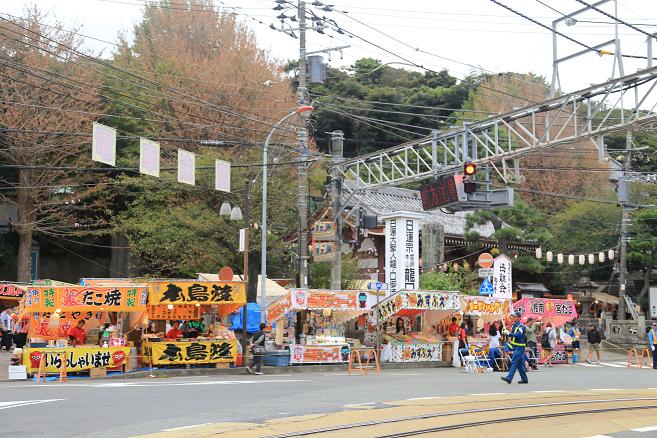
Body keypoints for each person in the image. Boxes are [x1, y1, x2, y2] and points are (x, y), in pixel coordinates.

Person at [501, 310, 528, 384]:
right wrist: (505, 331)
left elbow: (518, 334)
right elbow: (512, 336)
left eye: (515, 316)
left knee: (514, 361)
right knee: (519, 364)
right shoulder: (514, 325)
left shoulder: (521, 326)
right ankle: (524, 379)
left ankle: (509, 378)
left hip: (520, 347)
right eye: (513, 316)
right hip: (514, 346)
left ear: (519, 318)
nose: (513, 317)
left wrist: (509, 333)